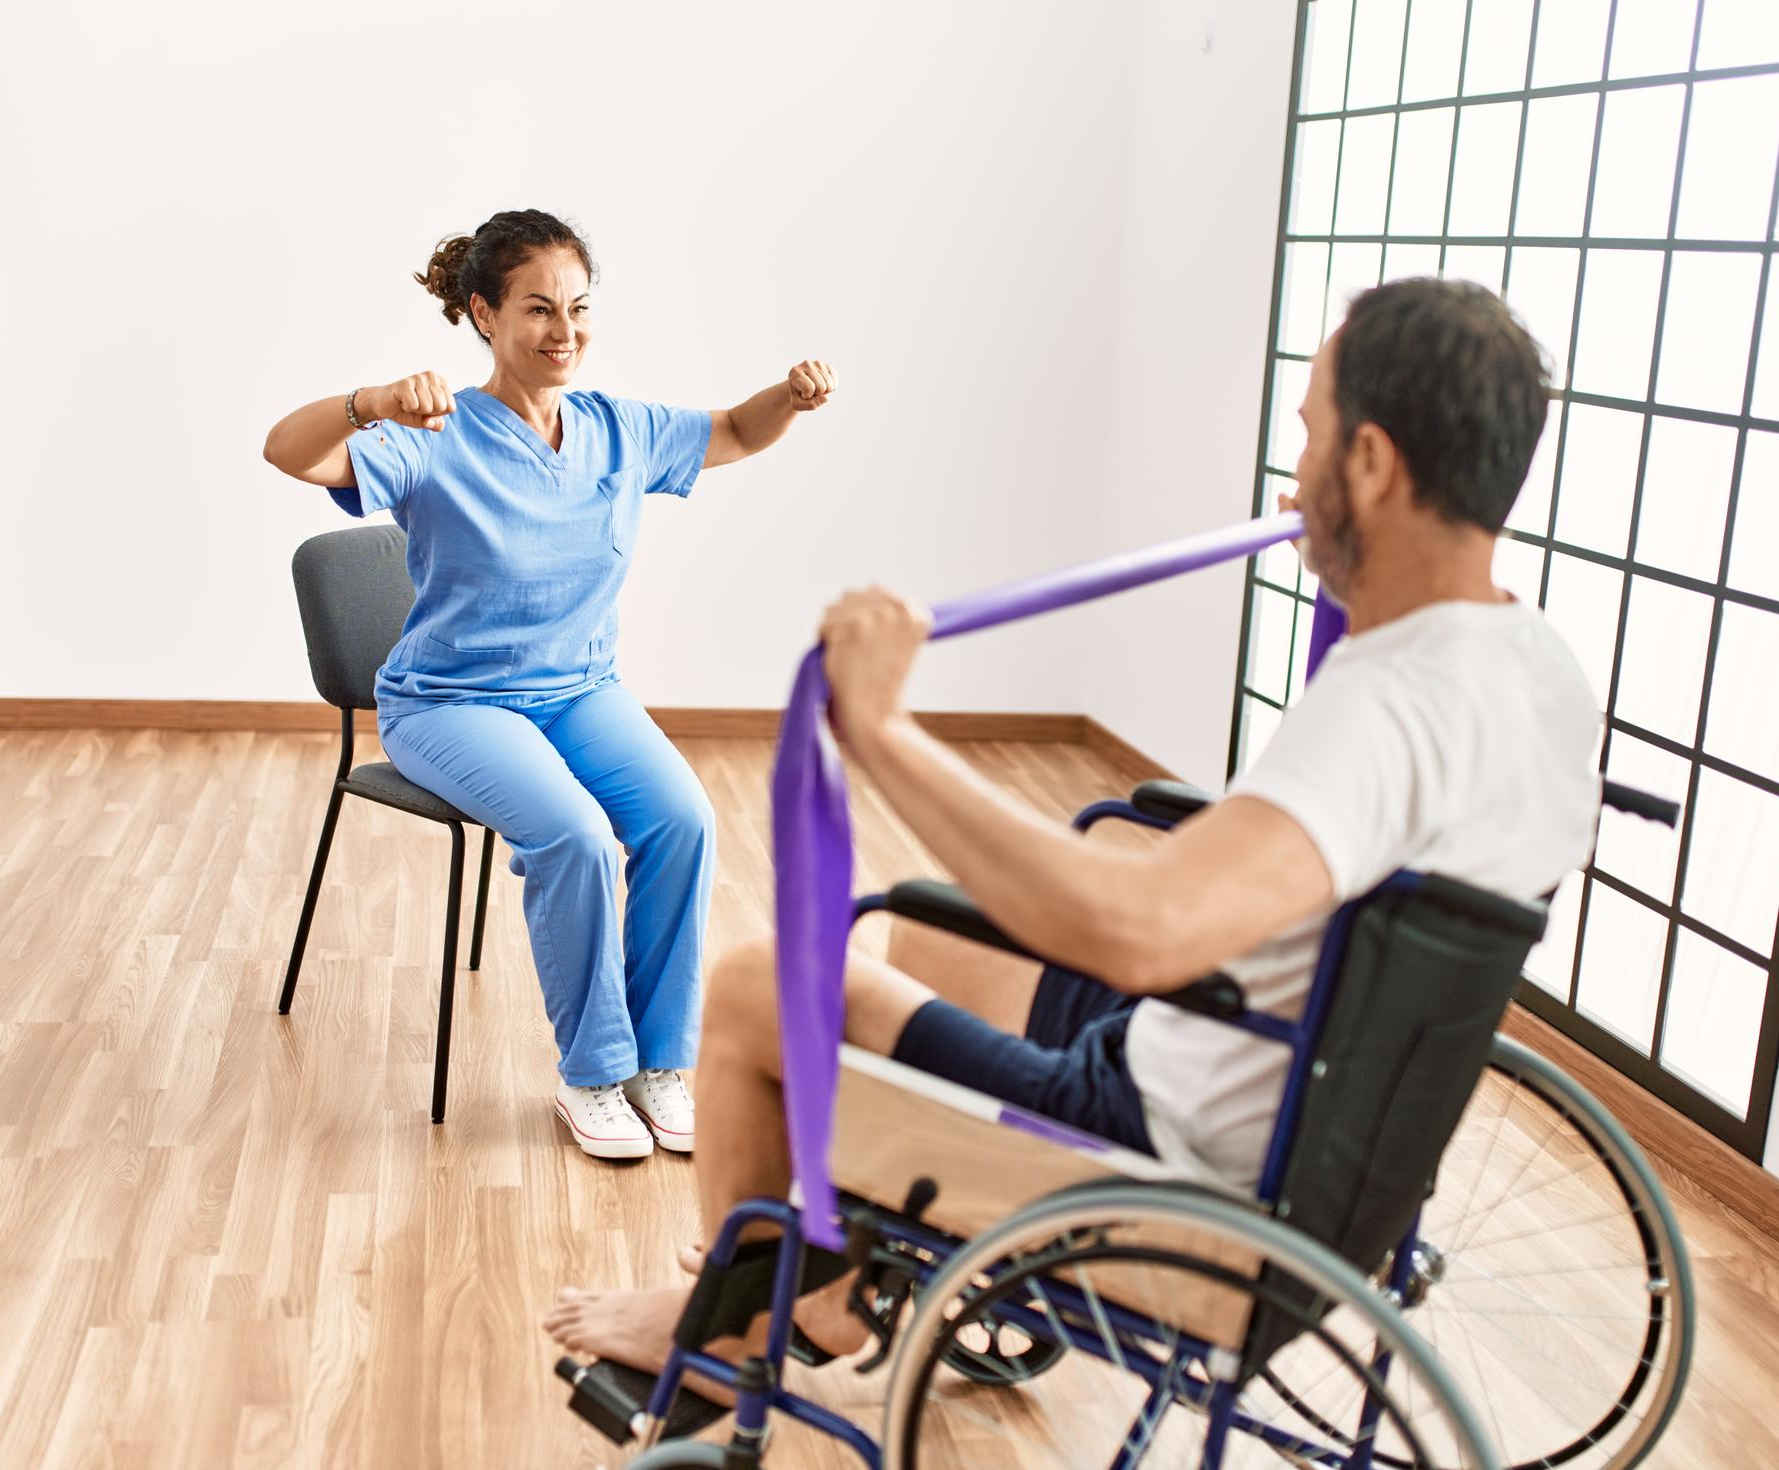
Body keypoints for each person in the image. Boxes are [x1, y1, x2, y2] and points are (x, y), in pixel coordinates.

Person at [542, 276, 1601, 1375]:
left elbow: (1140, 933)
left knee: (761, 984)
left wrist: (883, 730)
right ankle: (847, 1264)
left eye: (1310, 436)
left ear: (1372, 464)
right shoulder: (1533, 671)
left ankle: (741, 1316)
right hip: (1296, 1090)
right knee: (946, 930)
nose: (1292, 477)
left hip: (1159, 1145)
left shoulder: (1385, 707)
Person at [264, 208, 839, 1161]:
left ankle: (660, 1063)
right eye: (538, 309)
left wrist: (790, 393)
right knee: (573, 837)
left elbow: (736, 429)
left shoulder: (619, 429)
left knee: (683, 822)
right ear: (484, 315)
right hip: (451, 704)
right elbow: (289, 451)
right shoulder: (433, 430)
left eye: (577, 308)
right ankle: (590, 1075)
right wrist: (370, 400)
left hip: (579, 691)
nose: (563, 332)